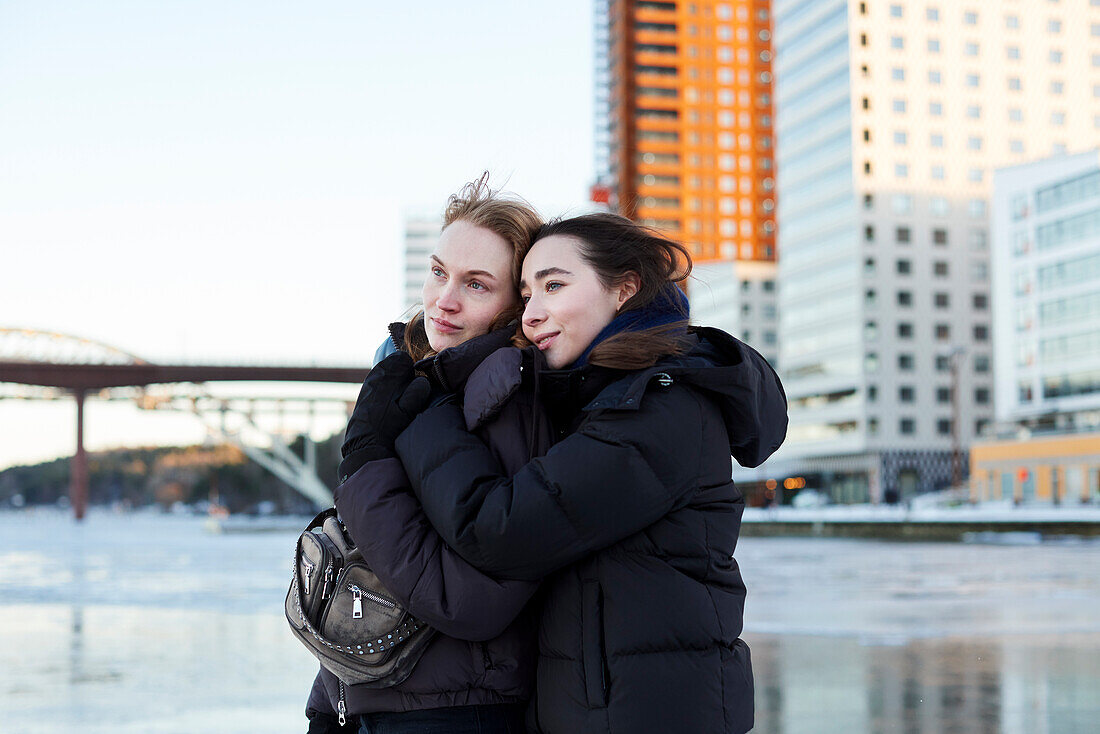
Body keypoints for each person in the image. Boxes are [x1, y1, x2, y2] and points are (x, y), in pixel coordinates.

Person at [384, 213, 789, 733]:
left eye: (554, 285)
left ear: (624, 290)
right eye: (527, 295)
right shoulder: (596, 399)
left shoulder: (663, 408)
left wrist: (421, 414)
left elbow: (502, 531)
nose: (532, 315)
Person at [304, 174, 543, 734]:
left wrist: (363, 458)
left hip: (451, 712)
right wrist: (327, 698)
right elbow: (368, 559)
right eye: (439, 273)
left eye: (477, 285)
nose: (444, 299)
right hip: (360, 698)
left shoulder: (510, 393)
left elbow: (471, 598)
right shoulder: (407, 376)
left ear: (516, 305)